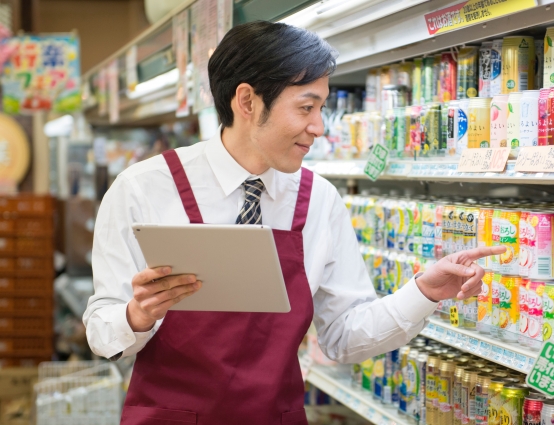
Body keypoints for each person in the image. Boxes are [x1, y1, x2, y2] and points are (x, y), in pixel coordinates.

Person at [84, 20, 505, 425]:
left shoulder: (318, 199)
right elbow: (103, 333)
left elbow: (342, 336)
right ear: (246, 101)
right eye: (306, 107)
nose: (318, 127)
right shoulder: (143, 189)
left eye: (321, 107)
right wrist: (136, 315)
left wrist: (424, 292)